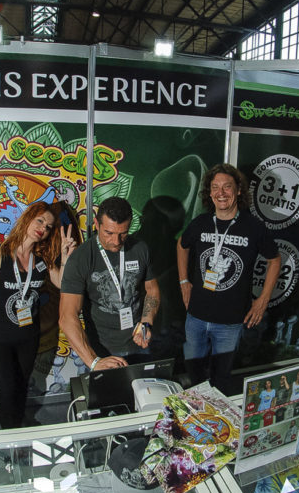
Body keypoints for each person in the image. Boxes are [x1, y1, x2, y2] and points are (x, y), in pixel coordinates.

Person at [0, 201, 76, 428]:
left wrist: (64, 258)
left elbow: (61, 283)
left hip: (28, 337)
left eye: (48, 227)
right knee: (6, 391)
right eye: (40, 221)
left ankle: (18, 426)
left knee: (21, 387)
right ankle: (11, 436)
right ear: (27, 219)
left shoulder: (42, 258)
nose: (42, 228)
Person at [176, 163, 281, 393]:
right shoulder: (201, 223)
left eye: (227, 187)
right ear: (209, 192)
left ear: (239, 190)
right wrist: (184, 281)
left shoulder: (253, 227)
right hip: (196, 316)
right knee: (193, 376)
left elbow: (275, 260)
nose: (221, 193)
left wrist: (263, 299)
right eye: (215, 187)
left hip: (230, 321)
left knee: (221, 379)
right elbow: (182, 245)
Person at [59, 197, 160, 371]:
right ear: (96, 224)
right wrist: (94, 362)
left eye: (123, 233)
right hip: (101, 351)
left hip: (139, 345)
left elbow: (152, 290)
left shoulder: (140, 248)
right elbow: (67, 317)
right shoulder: (81, 258)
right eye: (109, 233)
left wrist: (146, 322)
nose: (116, 241)